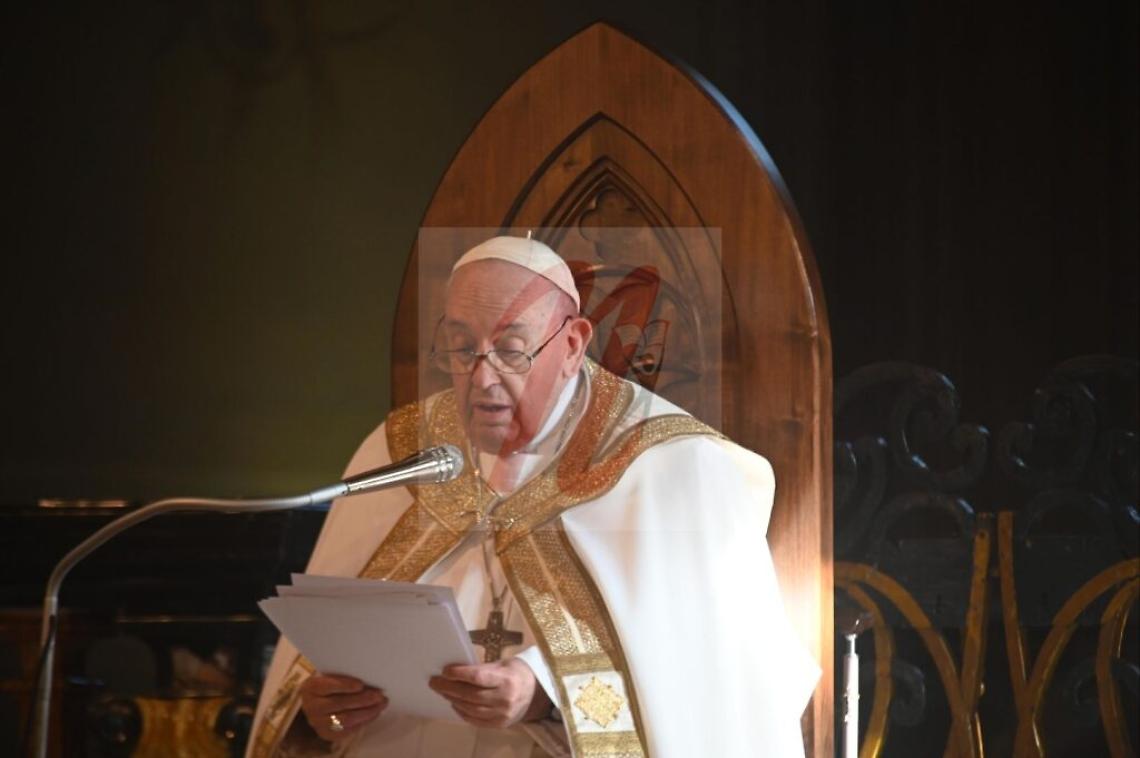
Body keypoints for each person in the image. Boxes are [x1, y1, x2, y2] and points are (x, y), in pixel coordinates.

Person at [247, 236, 819, 757]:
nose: (482, 378)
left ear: (572, 343)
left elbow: (717, 681)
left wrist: (546, 692)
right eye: (460, 348)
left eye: (512, 349)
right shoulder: (399, 450)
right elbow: (313, 686)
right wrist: (322, 711)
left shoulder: (672, 465)